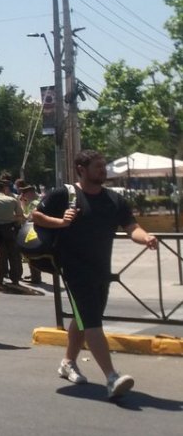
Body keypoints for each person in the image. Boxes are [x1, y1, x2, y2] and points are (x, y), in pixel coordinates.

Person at [32, 149, 158, 399]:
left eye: (104, 166)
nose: (104, 170)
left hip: (101, 269)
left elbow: (131, 226)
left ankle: (68, 362)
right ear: (81, 169)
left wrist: (146, 238)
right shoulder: (64, 194)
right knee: (91, 320)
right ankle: (112, 377)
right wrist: (60, 222)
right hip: (74, 269)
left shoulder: (113, 200)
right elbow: (35, 216)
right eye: (98, 166)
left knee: (84, 318)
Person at [0, 180, 26, 285]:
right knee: (13, 254)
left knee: (1, 254)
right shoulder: (12, 200)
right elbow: (20, 215)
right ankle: (15, 278)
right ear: (4, 189)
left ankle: (0, 277)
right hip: (11, 228)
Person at [18, 185, 43, 284]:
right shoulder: (31, 203)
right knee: (30, 256)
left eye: (24, 194)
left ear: (30, 193)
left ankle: (36, 277)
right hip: (32, 230)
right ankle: (34, 274)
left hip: (33, 231)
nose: (22, 196)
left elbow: (29, 217)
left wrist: (19, 215)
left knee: (32, 254)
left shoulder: (34, 203)